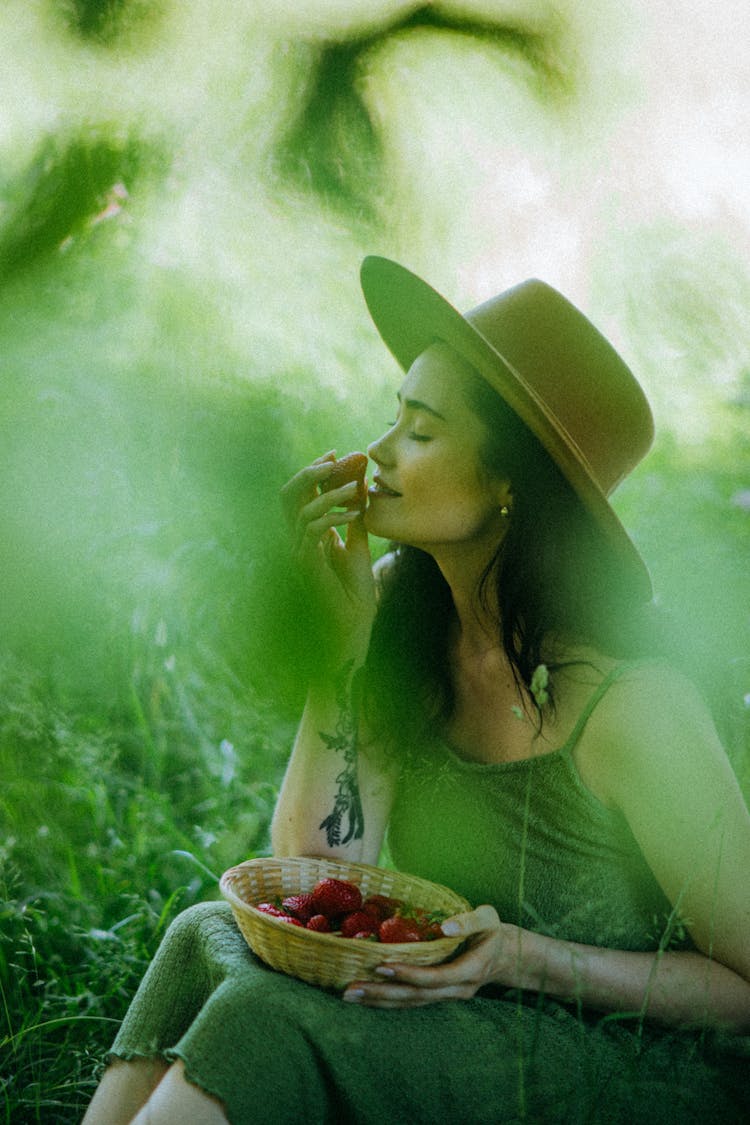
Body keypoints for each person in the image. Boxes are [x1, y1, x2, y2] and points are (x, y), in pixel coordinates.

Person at [82, 256, 750, 1125]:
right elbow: (322, 876)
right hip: (458, 1011)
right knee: (200, 935)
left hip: (622, 1058)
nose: (377, 455)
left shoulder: (628, 703)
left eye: (421, 432)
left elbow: (744, 987)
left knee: (258, 1019)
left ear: (513, 483)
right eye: (391, 417)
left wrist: (519, 956)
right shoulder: (407, 610)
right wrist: (345, 647)